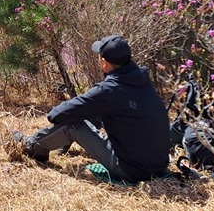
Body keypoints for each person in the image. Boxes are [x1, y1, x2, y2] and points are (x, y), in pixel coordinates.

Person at [12, 35, 170, 183]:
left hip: (131, 170)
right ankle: (61, 144)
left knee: (72, 124)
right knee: (96, 112)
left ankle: (32, 146)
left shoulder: (110, 89)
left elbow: (57, 115)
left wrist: (74, 114)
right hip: (158, 166)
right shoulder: (142, 80)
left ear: (104, 62)